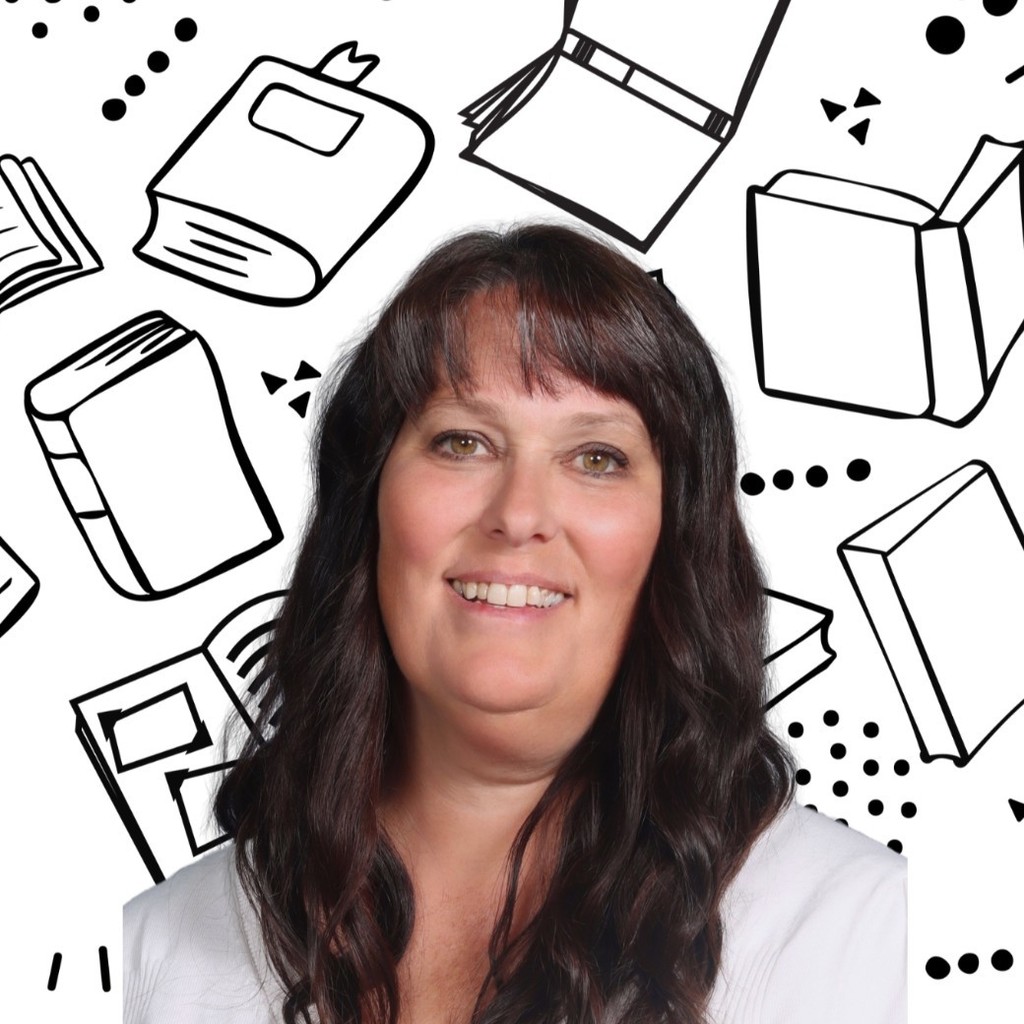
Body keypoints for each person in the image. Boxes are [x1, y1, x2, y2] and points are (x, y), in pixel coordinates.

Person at [123, 223, 907, 1024]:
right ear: (368, 510)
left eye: (596, 457)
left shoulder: (869, 938)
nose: (520, 514)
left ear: (676, 540)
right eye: (463, 442)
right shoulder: (151, 955)